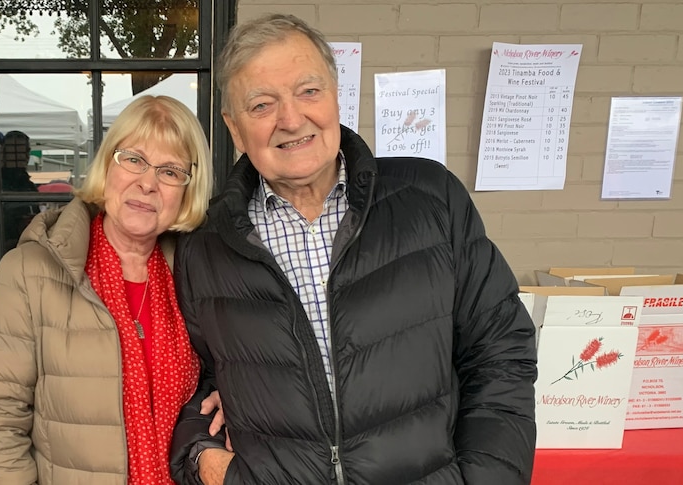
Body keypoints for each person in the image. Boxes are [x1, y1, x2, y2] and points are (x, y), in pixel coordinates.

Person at [169, 14, 537, 485]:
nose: (291, 118)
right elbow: (193, 380)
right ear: (235, 129)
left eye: (309, 91)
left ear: (336, 96)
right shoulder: (206, 246)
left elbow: (501, 353)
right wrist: (201, 454)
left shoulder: (430, 199)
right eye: (262, 105)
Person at [0, 95, 214, 484]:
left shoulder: (198, 274)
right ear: (106, 166)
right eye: (133, 159)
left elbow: (232, 375)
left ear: (187, 189)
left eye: (169, 171)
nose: (147, 183)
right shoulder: (32, 273)